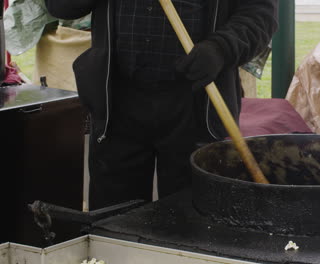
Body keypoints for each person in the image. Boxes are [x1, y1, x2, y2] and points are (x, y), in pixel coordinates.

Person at [44, 0, 278, 210]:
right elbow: (61, 6)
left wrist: (221, 48)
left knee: (191, 224)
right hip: (117, 107)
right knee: (112, 222)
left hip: (196, 106)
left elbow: (260, 13)